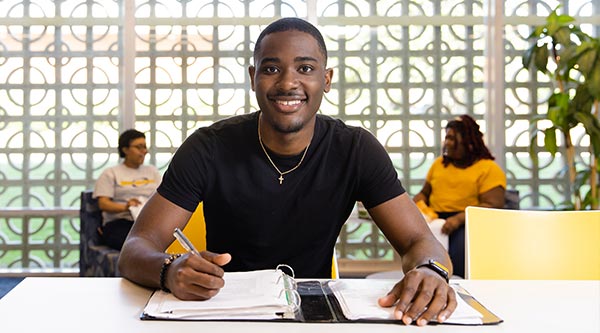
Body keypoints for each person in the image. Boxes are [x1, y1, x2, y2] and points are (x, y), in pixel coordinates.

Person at [118, 17, 456, 326]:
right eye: (271, 69)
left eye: (305, 68)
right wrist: (170, 269)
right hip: (222, 312)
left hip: (315, 317)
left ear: (326, 80)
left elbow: (419, 241)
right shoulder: (208, 147)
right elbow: (136, 248)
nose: (288, 83)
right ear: (253, 78)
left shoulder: (355, 149)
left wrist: (430, 270)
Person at [413, 115, 506, 278]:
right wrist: (416, 204)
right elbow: (424, 193)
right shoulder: (439, 164)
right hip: (435, 219)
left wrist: (458, 220)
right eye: (446, 138)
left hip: (467, 222)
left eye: (452, 138)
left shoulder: (488, 168)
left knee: (459, 255)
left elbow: (493, 205)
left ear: (469, 141)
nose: (447, 143)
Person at [93, 129, 162, 250]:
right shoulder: (111, 173)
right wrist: (127, 206)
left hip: (148, 221)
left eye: (145, 147)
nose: (144, 151)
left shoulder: (152, 172)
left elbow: (162, 196)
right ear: (125, 149)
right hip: (121, 222)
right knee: (135, 243)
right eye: (139, 147)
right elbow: (103, 204)